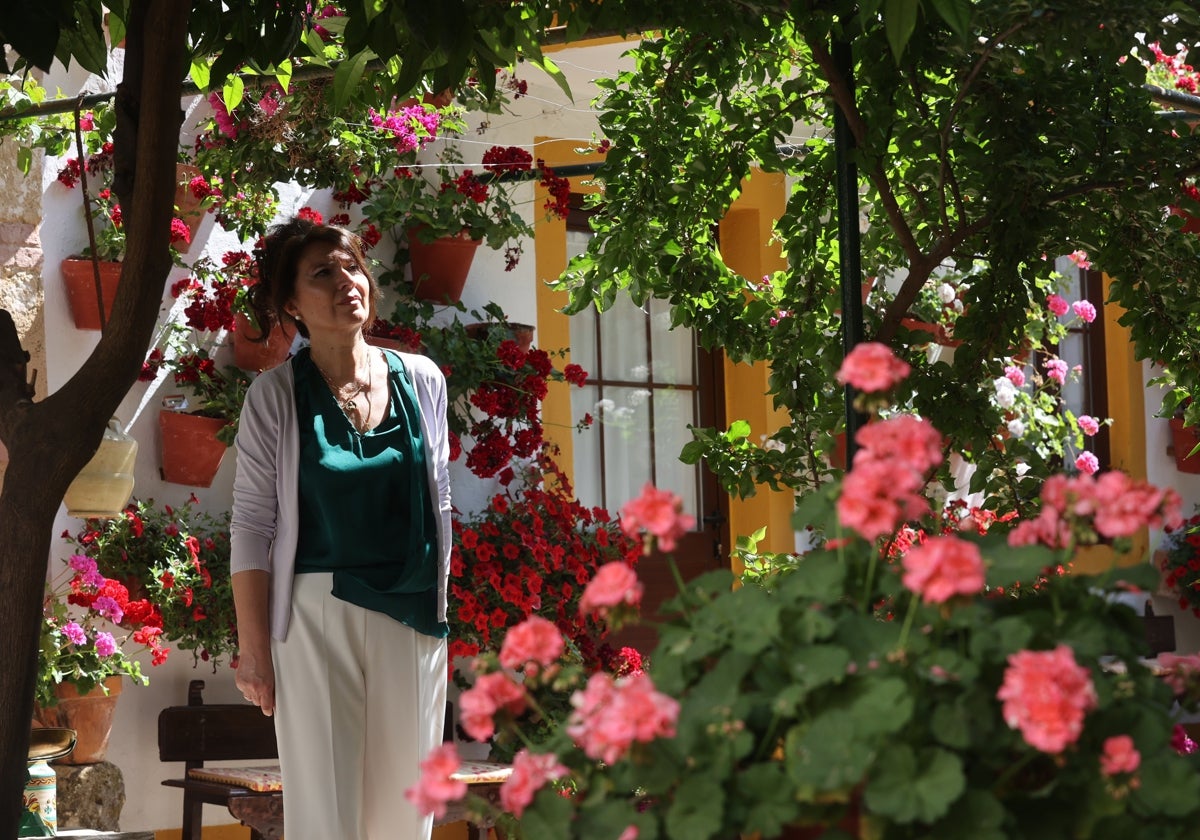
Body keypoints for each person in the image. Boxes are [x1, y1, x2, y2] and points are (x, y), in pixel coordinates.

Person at [230, 216, 451, 839]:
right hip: (314, 614)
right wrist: (253, 650)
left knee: (406, 812)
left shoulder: (422, 380)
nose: (345, 281)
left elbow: (440, 502)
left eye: (351, 265)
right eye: (322, 274)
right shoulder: (275, 396)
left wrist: (440, 601)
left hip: (411, 607)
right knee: (325, 809)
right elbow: (251, 526)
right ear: (291, 303)